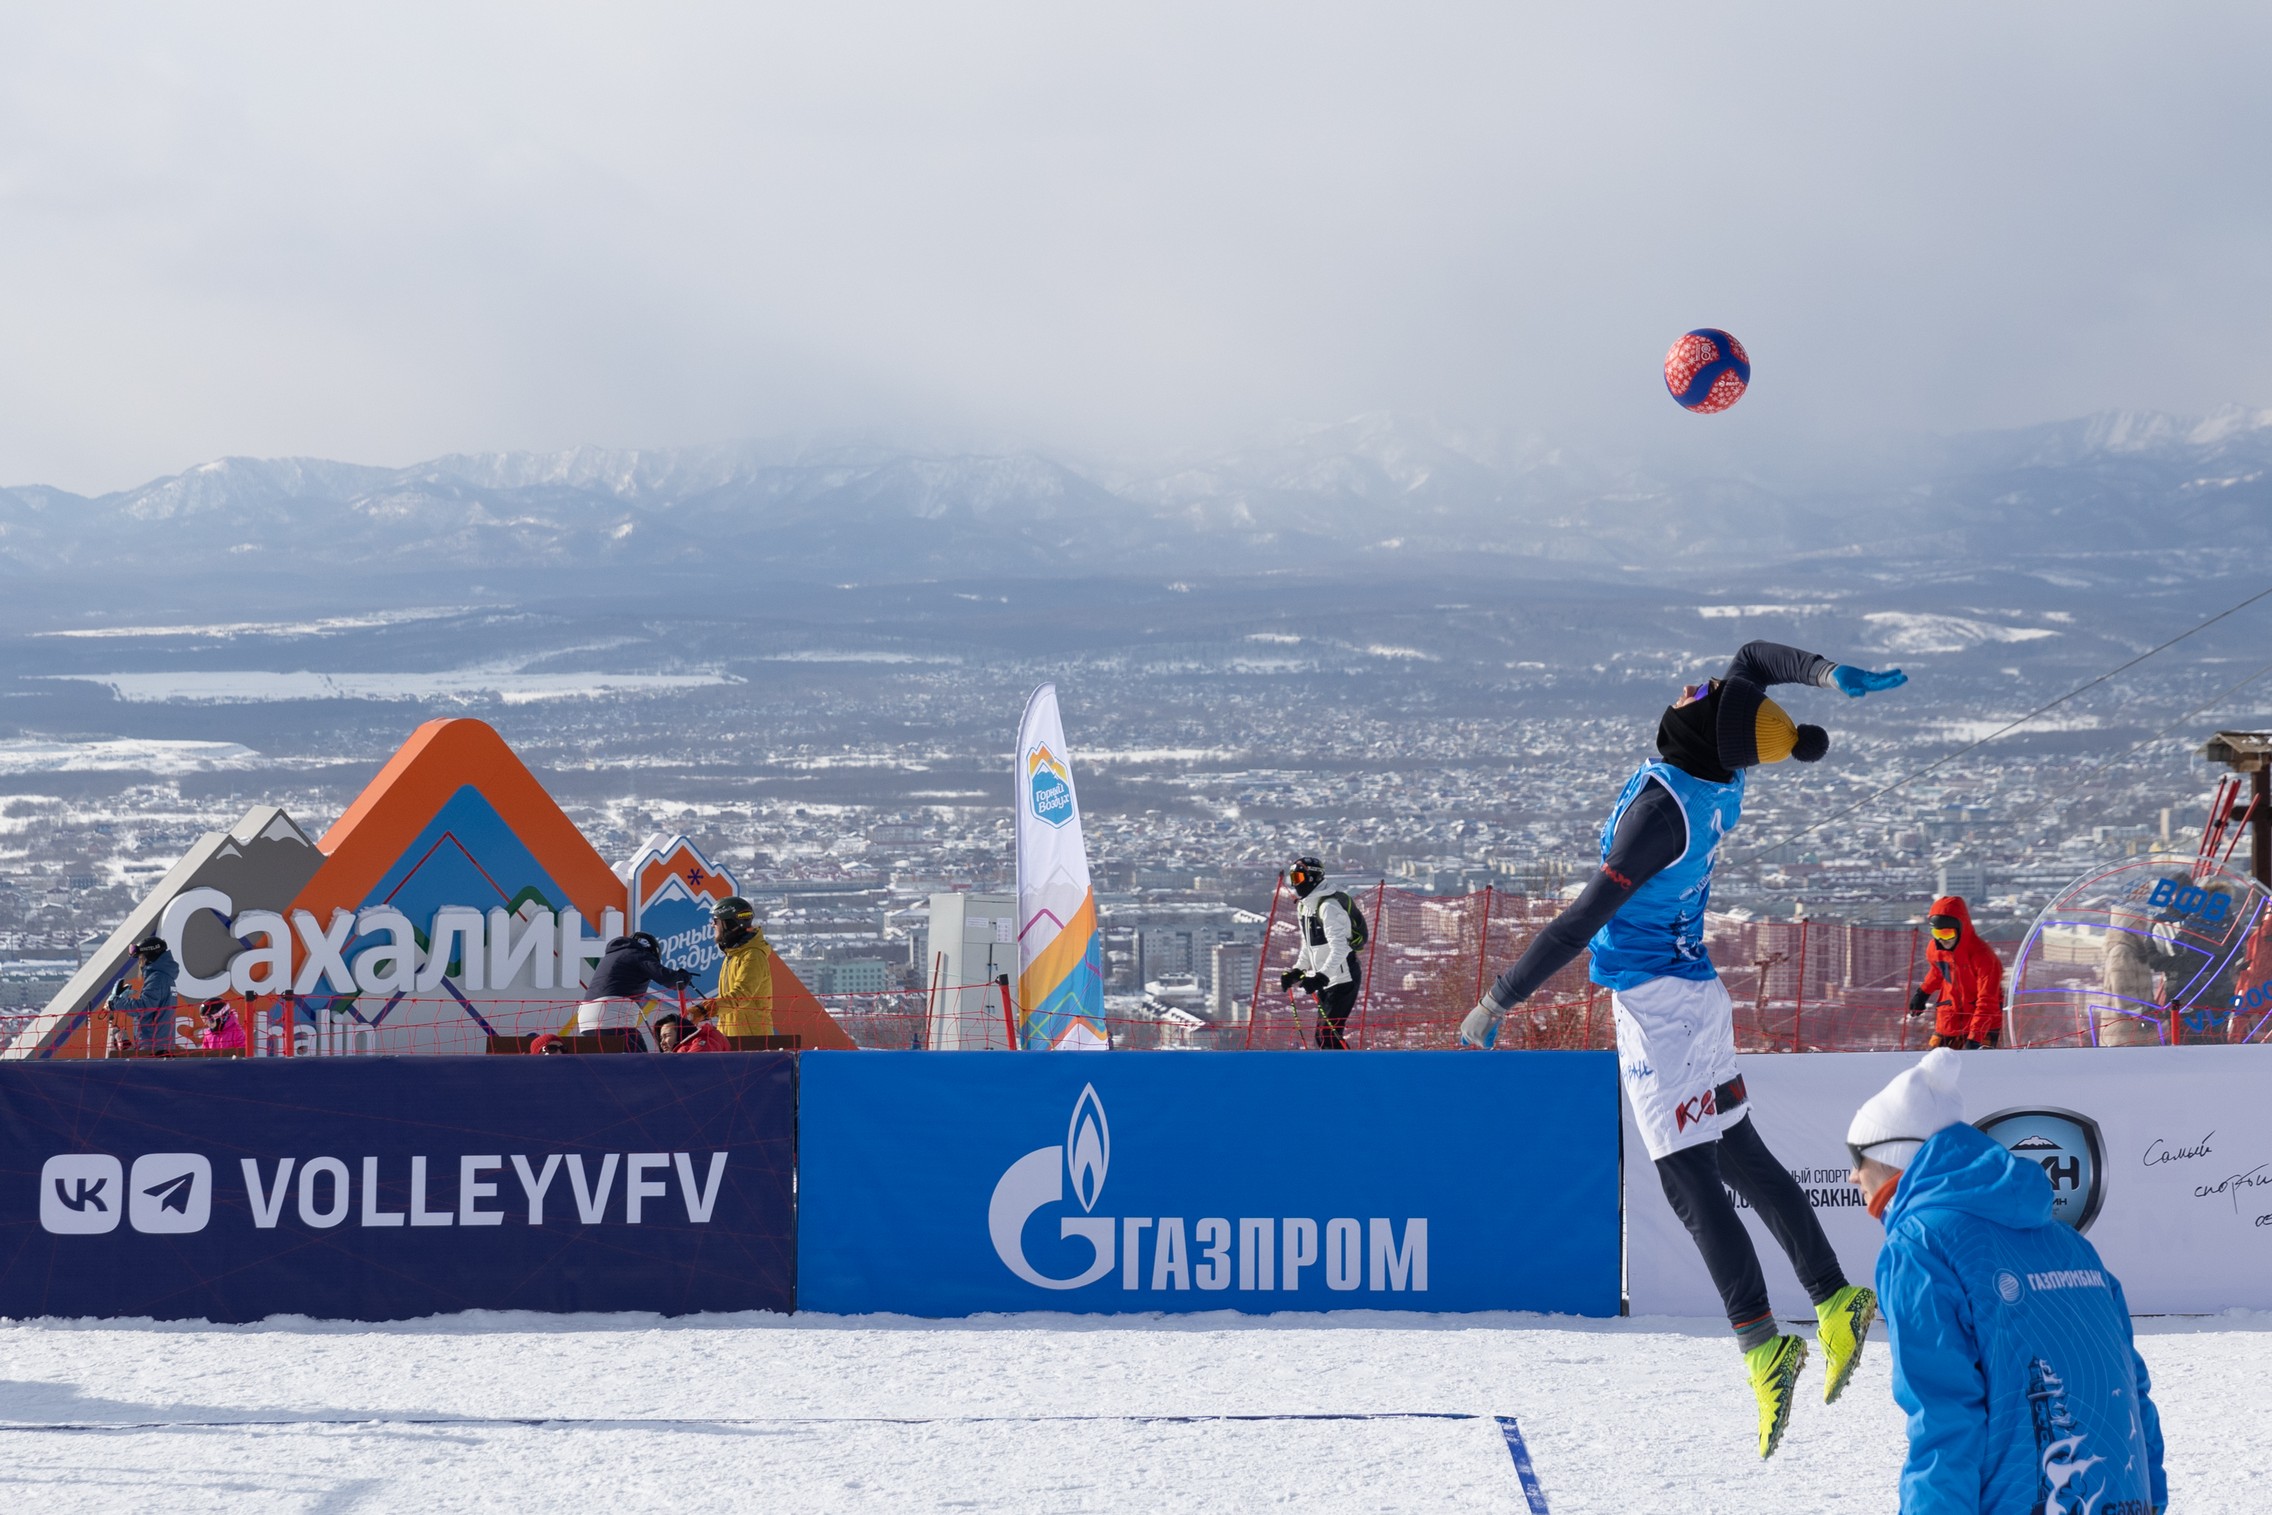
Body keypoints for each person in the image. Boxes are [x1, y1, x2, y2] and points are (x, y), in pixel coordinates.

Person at [1460, 640, 1906, 1457]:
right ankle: (1833, 1297)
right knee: (1738, 1150)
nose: (1687, 697)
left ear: (1695, 731)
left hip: (1660, 1009)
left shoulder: (1658, 817)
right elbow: (1752, 660)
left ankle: (1762, 1342)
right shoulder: (1720, 767)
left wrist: (1500, 997)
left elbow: (1578, 922)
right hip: (1697, 991)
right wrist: (1829, 675)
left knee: (1687, 1177)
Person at [1846, 1048, 2166, 1514]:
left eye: (1859, 1155)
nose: (1853, 1174)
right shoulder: (2071, 1243)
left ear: (1896, 1156)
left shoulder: (1919, 1246)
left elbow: (1944, 1420)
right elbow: (2133, 1394)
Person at [1277, 855, 1360, 1049]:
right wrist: (1298, 970)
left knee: (1328, 1036)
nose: (1294, 884)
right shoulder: (1305, 908)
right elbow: (1308, 945)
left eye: (1298, 878)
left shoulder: (1328, 907)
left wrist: (1321, 977)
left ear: (1312, 878)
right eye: (1293, 879)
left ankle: (1349, 1074)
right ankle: (1338, 1073)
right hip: (1327, 979)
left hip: (1343, 979)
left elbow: (1340, 947)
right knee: (1323, 1036)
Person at [1907, 895, 2005, 1048]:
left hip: (1982, 1023)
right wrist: (1923, 993)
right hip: (1948, 1021)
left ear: (1961, 929)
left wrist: (1975, 1038)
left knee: (1976, 1068)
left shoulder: (1983, 956)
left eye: (1947, 934)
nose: (1942, 940)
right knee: (1934, 1064)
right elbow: (1937, 972)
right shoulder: (1935, 949)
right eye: (1937, 934)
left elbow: (1988, 1001)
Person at [577, 931, 693, 1039]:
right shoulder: (638, 954)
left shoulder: (612, 955)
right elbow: (672, 981)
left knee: (606, 1058)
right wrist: (684, 976)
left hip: (585, 1019)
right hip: (612, 1015)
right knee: (641, 1059)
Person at [694, 896, 774, 1039]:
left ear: (730, 924)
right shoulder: (733, 954)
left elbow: (741, 996)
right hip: (730, 1037)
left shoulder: (752, 956)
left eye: (716, 920)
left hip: (751, 1041)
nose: (712, 925)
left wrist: (703, 1010)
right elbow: (728, 1002)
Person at [106, 935, 181, 1055]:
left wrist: (115, 1002)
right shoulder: (165, 977)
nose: (140, 964)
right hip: (159, 1045)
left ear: (149, 957)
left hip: (153, 1048)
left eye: (141, 958)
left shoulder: (157, 978)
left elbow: (144, 1007)